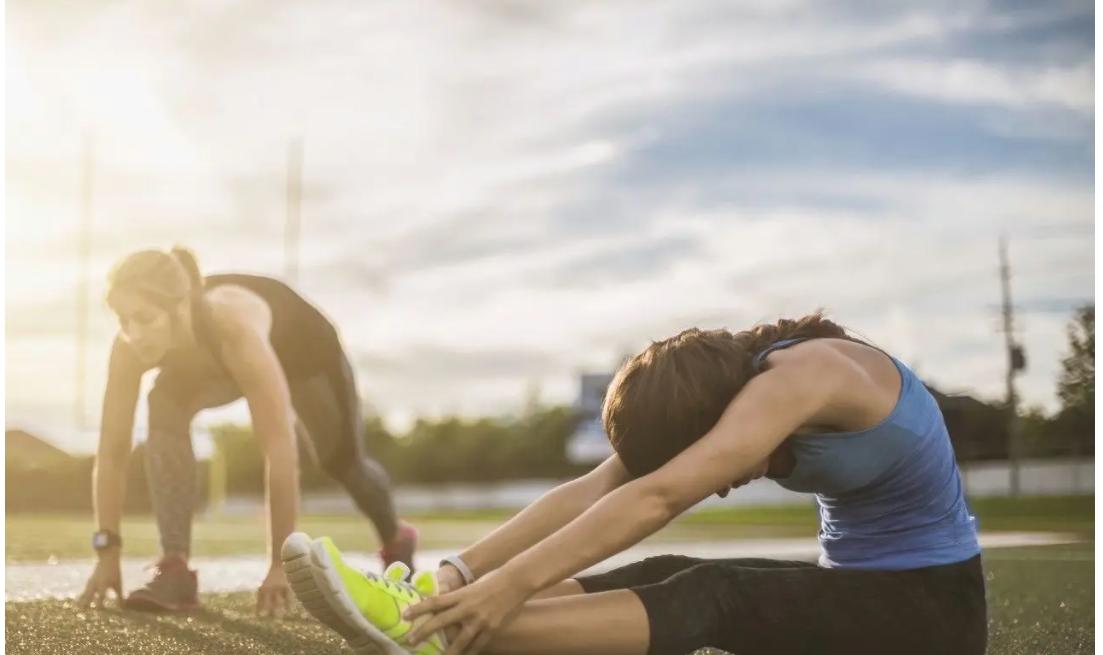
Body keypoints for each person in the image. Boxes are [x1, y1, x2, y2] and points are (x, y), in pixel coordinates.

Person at [283, 313, 987, 654]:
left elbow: (659, 495)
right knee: (665, 569)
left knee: (712, 592)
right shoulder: (717, 382)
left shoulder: (804, 380)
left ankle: (446, 636)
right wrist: (461, 568)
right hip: (858, 591)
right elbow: (595, 489)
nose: (718, 483)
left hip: (929, 616)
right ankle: (437, 609)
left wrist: (512, 588)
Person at [78, 246, 417, 615]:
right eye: (122, 320)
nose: (133, 333)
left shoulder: (233, 329)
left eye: (144, 318)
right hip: (210, 366)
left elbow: (278, 449)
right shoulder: (129, 347)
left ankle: (397, 539)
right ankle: (174, 569)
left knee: (341, 463)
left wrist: (279, 565)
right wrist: (106, 552)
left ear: (181, 306)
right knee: (164, 404)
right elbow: (111, 453)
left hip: (305, 356)